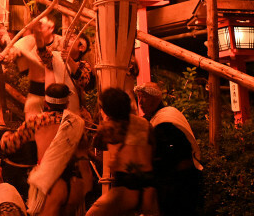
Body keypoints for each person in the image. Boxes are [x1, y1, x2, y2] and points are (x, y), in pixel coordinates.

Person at [1, 83, 91, 216]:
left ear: (45, 103)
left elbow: (9, 145)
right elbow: (83, 152)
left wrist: (5, 136)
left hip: (51, 184)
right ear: (66, 104)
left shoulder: (38, 121)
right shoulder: (76, 123)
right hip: (76, 183)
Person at [134, 82, 203, 216]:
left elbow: (167, 157)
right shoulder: (157, 117)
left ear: (155, 99)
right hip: (173, 182)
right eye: (139, 97)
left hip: (178, 185)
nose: (140, 102)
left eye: (144, 97)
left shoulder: (166, 119)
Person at [86, 88, 157, 216]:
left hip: (126, 189)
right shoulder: (145, 124)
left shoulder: (109, 128)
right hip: (149, 188)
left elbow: (97, 144)